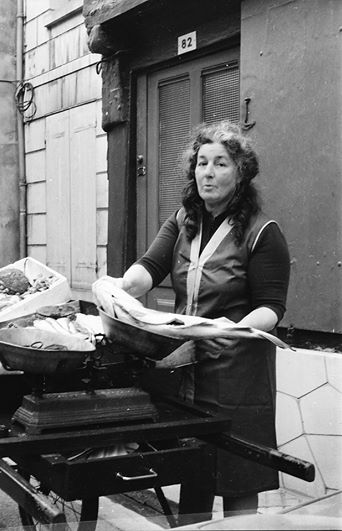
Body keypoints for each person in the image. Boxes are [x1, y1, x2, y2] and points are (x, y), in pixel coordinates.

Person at [99, 121, 290, 521]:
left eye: (220, 163)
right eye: (202, 162)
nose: (208, 172)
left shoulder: (262, 232)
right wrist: (120, 286)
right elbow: (149, 267)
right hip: (188, 365)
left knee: (240, 474)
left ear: (241, 173)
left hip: (238, 372)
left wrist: (230, 331)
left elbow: (271, 307)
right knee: (195, 469)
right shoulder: (184, 219)